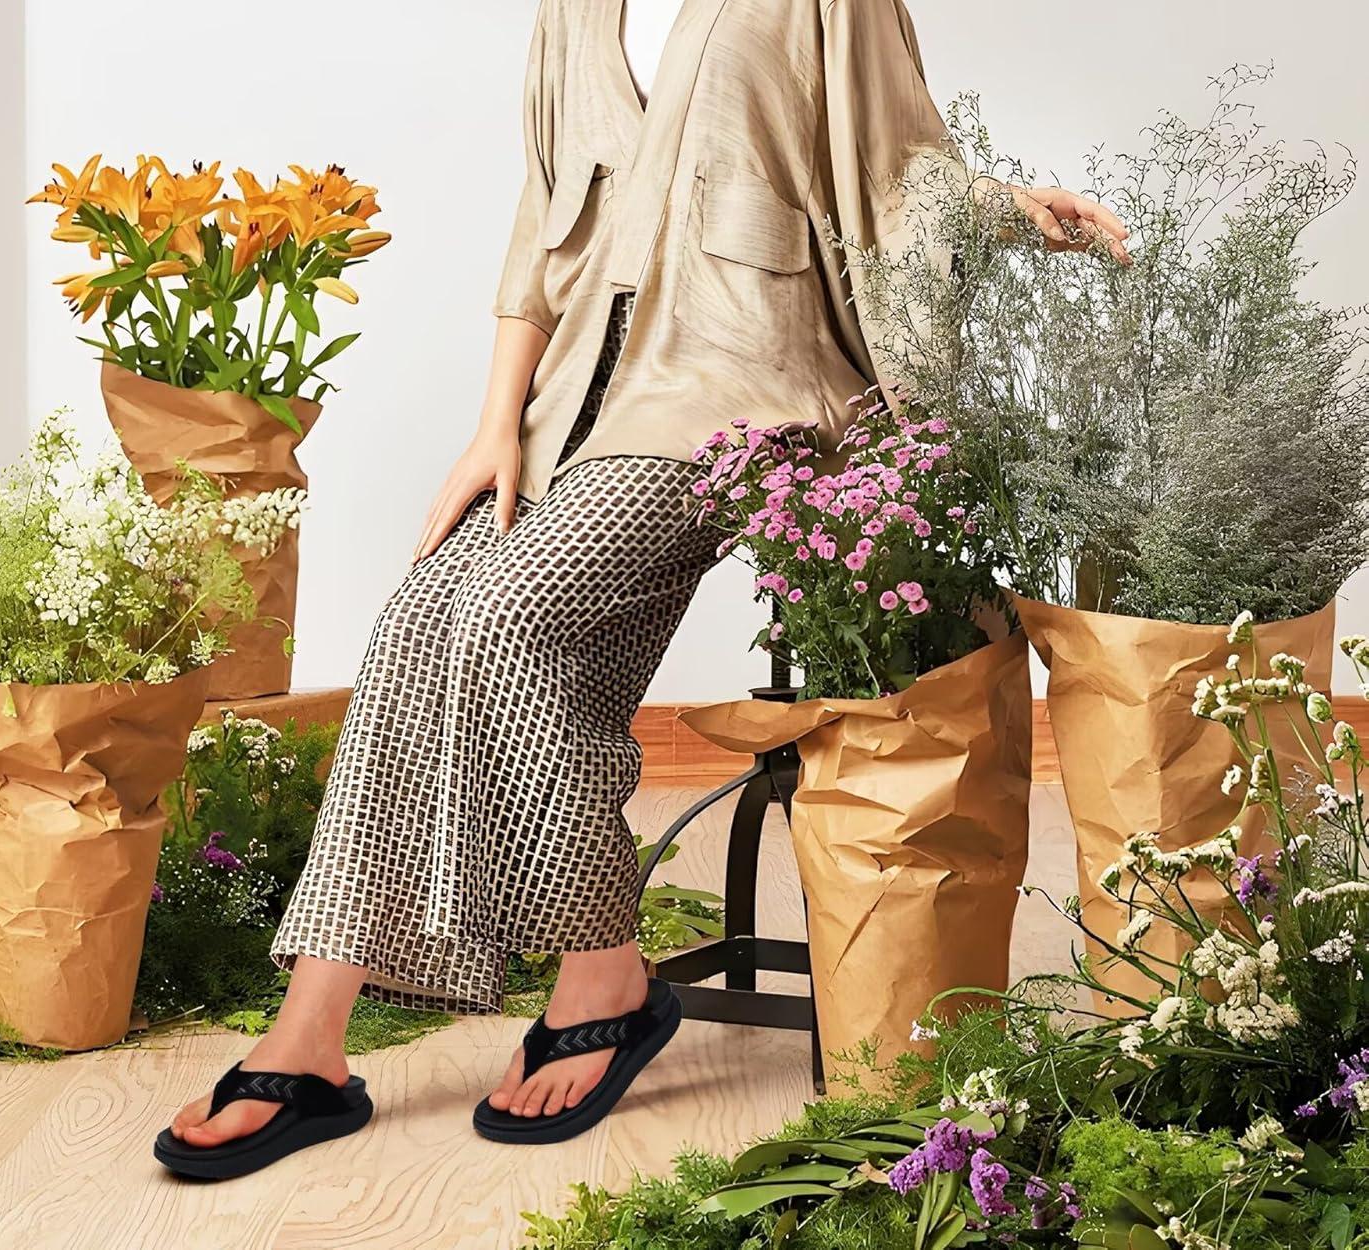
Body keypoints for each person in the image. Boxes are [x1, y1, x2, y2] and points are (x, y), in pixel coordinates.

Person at [156, 0, 1130, 1178]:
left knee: (510, 614)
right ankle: (309, 1039)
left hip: (737, 386)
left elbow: (899, 166)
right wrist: (494, 425)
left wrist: (1013, 211)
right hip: (574, 394)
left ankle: (602, 972)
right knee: (417, 619)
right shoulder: (570, 11)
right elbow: (540, 225)